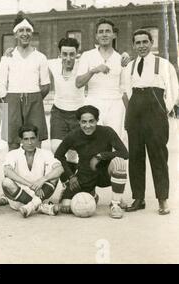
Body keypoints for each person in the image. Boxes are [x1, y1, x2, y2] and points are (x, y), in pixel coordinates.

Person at [122, 29, 179, 215]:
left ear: (151, 42)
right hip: (135, 113)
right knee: (136, 157)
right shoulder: (129, 66)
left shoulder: (163, 65)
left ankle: (162, 199)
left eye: (145, 42)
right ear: (133, 45)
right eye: (137, 43)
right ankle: (138, 198)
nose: (141, 46)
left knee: (158, 156)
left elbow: (173, 91)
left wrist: (163, 110)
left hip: (155, 113)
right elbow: (124, 91)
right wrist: (132, 109)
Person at [55, 105, 128, 219]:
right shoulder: (73, 135)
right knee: (66, 207)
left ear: (97, 120)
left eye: (91, 121)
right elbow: (58, 154)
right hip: (85, 175)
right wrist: (71, 176)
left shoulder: (107, 131)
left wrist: (102, 156)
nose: (87, 125)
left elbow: (124, 153)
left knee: (119, 162)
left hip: (105, 174)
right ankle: (91, 194)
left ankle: (115, 204)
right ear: (79, 122)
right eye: (83, 122)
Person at [0, 14, 50, 151]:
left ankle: (36, 171)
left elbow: (45, 86)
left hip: (34, 100)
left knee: (35, 141)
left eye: (28, 30)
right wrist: (9, 100)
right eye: (21, 31)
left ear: (32, 33)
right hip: (12, 101)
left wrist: (34, 98)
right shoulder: (7, 57)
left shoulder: (41, 57)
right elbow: (1, 85)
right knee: (13, 142)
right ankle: (12, 170)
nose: (25, 34)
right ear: (15, 34)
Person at [75, 18, 130, 140]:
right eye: (101, 31)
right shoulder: (87, 55)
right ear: (96, 36)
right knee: (92, 140)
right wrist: (94, 70)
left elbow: (124, 89)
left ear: (114, 35)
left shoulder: (121, 58)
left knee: (114, 140)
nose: (104, 34)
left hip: (115, 104)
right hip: (93, 101)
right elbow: (78, 83)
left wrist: (129, 113)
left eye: (108, 31)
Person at [0, 124, 64, 218]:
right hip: (19, 197)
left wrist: (42, 180)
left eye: (32, 138)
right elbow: (7, 171)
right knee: (6, 182)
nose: (30, 142)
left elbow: (60, 169)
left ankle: (31, 206)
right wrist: (30, 185)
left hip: (40, 193)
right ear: (21, 140)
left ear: (37, 138)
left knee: (55, 176)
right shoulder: (12, 154)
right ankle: (41, 207)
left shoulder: (45, 153)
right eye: (26, 139)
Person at [48, 37, 84, 187]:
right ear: (59, 54)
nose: (68, 58)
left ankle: (71, 186)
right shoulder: (52, 64)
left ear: (77, 54)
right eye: (65, 54)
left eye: (72, 54)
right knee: (57, 149)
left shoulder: (83, 65)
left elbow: (105, 59)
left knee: (74, 152)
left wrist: (124, 57)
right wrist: (10, 53)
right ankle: (66, 181)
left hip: (78, 112)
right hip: (58, 112)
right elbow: (32, 59)